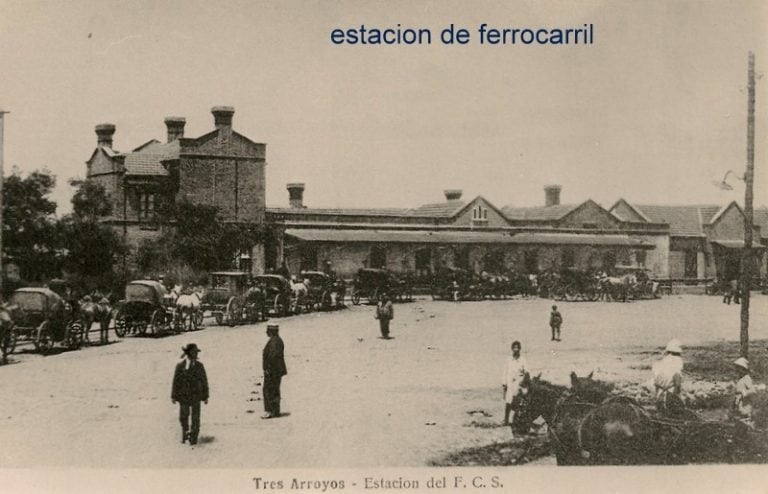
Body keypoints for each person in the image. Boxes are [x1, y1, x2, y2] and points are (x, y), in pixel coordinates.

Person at [171, 343, 209, 445]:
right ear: (188, 353)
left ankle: (194, 437)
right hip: (183, 395)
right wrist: (174, 395)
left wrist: (205, 396)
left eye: (196, 352)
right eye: (194, 352)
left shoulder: (200, 366)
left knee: (196, 417)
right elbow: (176, 381)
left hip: (196, 395)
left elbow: (204, 381)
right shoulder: (180, 366)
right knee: (183, 416)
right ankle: (185, 432)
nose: (196, 354)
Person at [502, 341, 530, 437]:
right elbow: (505, 372)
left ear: (520, 349)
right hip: (510, 383)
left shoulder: (523, 360)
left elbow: (527, 372)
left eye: (517, 348)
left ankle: (517, 421)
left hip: (519, 384)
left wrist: (524, 381)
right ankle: (506, 420)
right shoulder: (509, 360)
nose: (516, 349)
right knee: (508, 402)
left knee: (518, 403)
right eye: (514, 348)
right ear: (512, 349)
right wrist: (504, 384)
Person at [652, 339, 685, 416]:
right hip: (670, 399)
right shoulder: (677, 361)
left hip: (659, 397)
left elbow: (656, 385)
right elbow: (677, 383)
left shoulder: (659, 363)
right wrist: (679, 400)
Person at [732, 357, 766, 428]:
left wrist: (743, 394)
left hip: (745, 404)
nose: (737, 370)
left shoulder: (747, 378)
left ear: (743, 369)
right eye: (736, 368)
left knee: (745, 422)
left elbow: (753, 390)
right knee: (739, 422)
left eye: (738, 368)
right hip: (740, 404)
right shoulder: (741, 379)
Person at [262, 324, 287, 419]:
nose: (266, 332)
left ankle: (270, 411)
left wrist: (268, 369)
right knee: (274, 389)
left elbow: (272, 357)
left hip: (273, 370)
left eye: (267, 330)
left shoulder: (274, 342)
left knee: (269, 389)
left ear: (271, 331)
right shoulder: (277, 340)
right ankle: (275, 411)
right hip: (277, 370)